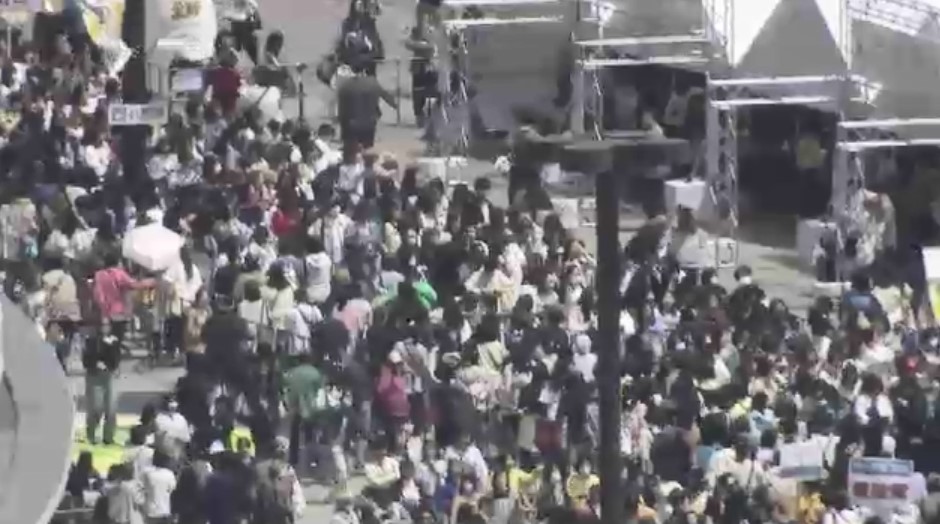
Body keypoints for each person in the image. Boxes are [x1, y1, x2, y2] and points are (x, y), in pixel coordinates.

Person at [336, 62, 397, 152]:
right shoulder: (373, 83)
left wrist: (343, 131)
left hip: (351, 125)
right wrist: (395, 105)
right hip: (369, 123)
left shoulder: (345, 86)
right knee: (367, 150)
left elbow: (342, 111)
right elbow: (386, 96)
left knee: (351, 151)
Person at [83, 319, 122, 444]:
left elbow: (115, 361)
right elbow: (86, 360)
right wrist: (96, 363)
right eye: (102, 325)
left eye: (107, 325)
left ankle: (108, 437)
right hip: (95, 377)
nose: (104, 327)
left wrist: (110, 345)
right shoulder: (91, 341)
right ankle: (91, 435)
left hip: (109, 376)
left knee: (110, 409)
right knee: (96, 408)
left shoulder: (114, 341)